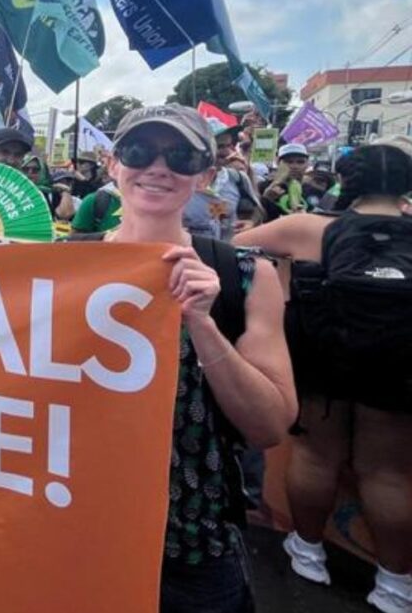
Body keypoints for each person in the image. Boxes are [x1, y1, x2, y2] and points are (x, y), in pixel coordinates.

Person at [77, 105, 295, 613]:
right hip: (75, 528)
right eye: (138, 151)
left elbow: (270, 425)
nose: (157, 167)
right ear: (113, 164)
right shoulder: (64, 263)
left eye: (179, 155)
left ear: (205, 175)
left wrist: (203, 324)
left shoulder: (244, 275)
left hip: (190, 543)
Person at [236, 144, 412, 613]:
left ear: (343, 181)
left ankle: (308, 550)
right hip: (399, 363)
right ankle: (396, 584)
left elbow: (233, 248)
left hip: (321, 356)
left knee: (315, 455)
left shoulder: (308, 227)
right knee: (390, 472)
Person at [182, 120, 262, 240]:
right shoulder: (179, 183)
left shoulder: (237, 179)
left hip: (229, 255)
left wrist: (251, 223)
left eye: (229, 146)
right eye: (219, 147)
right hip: (190, 255)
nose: (226, 152)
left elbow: (258, 211)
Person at [261, 143, 310, 221]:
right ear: (278, 163)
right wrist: (266, 199)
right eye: (289, 162)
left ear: (307, 164)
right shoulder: (262, 187)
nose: (295, 166)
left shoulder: (312, 190)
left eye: (300, 162)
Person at [21, 157, 75, 221]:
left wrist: (65, 192)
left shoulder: (50, 193)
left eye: (35, 170)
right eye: (25, 169)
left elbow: (65, 215)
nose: (30, 173)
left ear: (42, 172)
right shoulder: (11, 190)